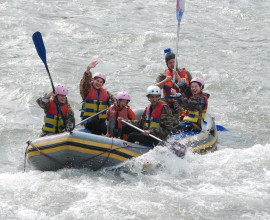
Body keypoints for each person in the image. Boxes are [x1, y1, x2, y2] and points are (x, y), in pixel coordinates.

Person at [155, 48, 192, 124]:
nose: (172, 65)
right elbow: (155, 88)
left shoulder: (186, 73)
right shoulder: (163, 75)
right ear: (167, 64)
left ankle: (182, 119)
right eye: (170, 63)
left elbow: (192, 89)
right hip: (169, 100)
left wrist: (179, 79)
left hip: (182, 100)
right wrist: (165, 80)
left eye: (174, 62)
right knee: (157, 102)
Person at [80, 60, 115, 135]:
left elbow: (114, 103)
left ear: (102, 84)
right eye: (97, 80)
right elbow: (85, 83)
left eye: (101, 82)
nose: (98, 83)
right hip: (88, 120)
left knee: (105, 127)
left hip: (101, 121)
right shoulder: (87, 90)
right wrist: (88, 70)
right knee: (94, 121)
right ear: (93, 80)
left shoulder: (106, 93)